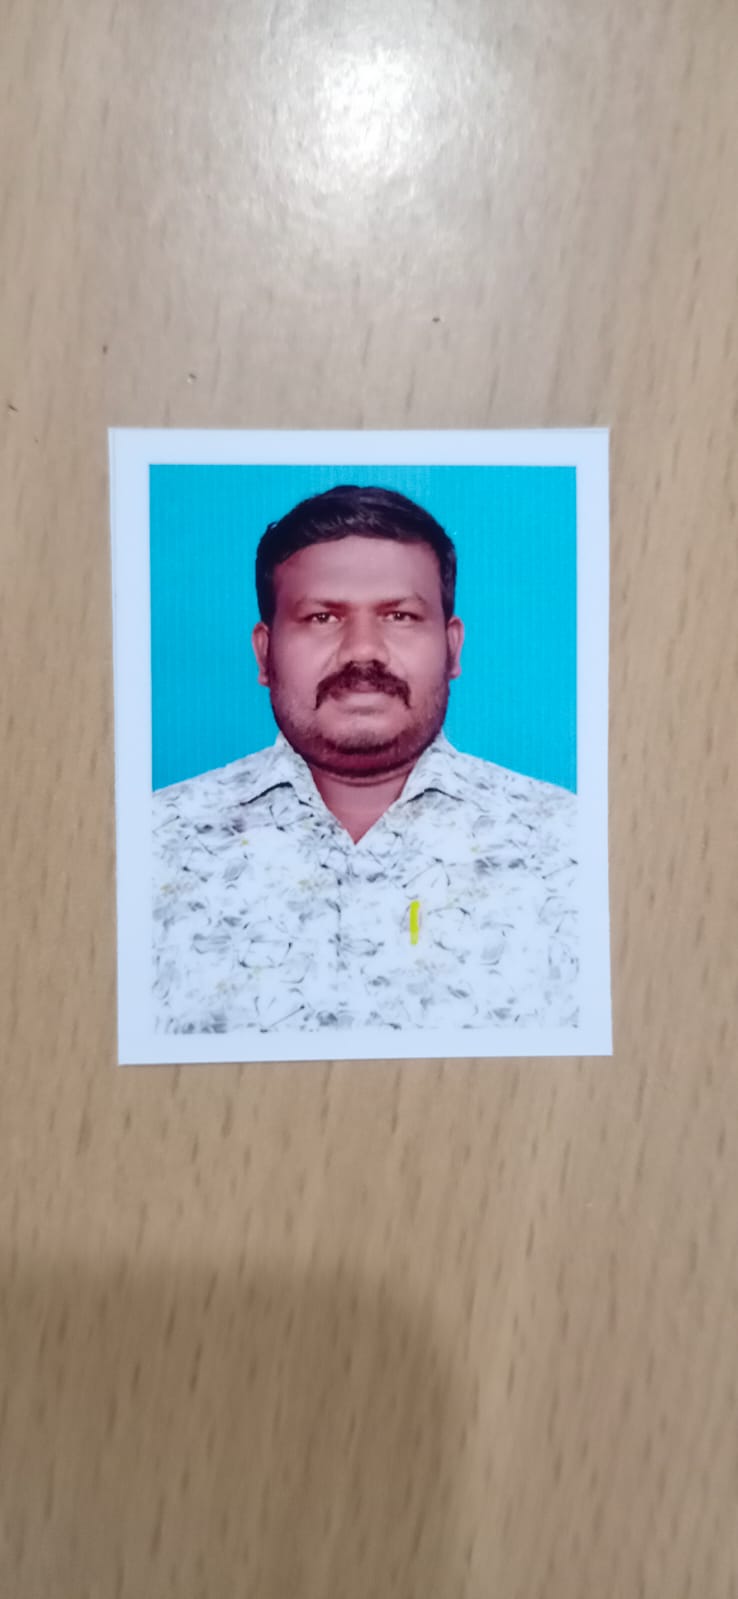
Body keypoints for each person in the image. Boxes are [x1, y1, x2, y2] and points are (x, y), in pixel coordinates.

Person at [152, 484, 578, 1034]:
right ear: (264, 652)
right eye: (322, 618)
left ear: (452, 648)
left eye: (399, 615)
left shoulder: (571, 848)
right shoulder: (151, 846)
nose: (363, 650)